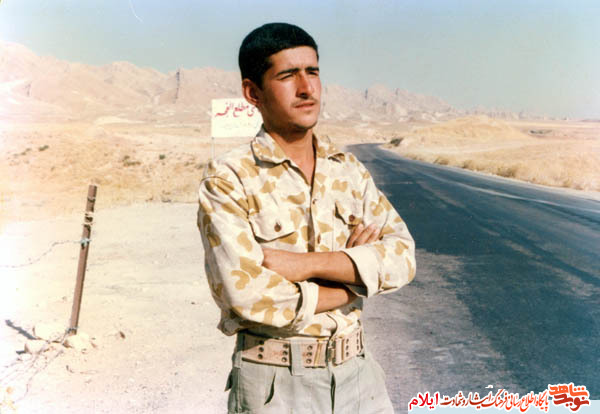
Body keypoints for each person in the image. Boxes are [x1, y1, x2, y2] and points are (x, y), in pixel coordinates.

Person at [197, 22, 416, 414]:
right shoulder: (230, 179)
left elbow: (402, 256)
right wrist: (353, 285)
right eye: (287, 75)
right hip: (277, 384)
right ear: (252, 93)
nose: (306, 88)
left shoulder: (348, 170)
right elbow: (246, 295)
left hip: (359, 377)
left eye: (312, 72)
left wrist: (307, 265)